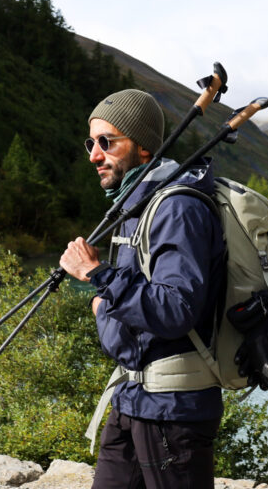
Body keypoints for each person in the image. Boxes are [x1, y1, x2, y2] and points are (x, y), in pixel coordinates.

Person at [59, 88, 227, 489]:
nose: (94, 155)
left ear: (144, 147)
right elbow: (136, 310)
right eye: (91, 142)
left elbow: (174, 309)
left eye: (107, 142)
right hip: (133, 399)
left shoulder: (175, 207)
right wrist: (103, 305)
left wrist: (98, 276)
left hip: (173, 411)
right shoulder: (137, 205)